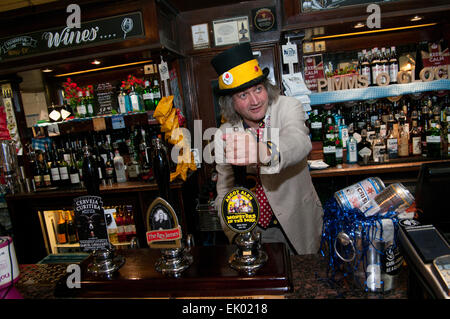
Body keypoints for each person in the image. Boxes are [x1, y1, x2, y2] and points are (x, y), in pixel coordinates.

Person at [211, 43, 323, 255]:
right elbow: (224, 191)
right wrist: (234, 232)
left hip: (297, 224)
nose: (255, 101)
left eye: (258, 89)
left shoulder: (287, 107)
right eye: (243, 95)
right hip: (251, 231)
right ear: (231, 103)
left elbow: (299, 141)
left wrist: (263, 152)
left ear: (266, 87)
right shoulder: (224, 133)